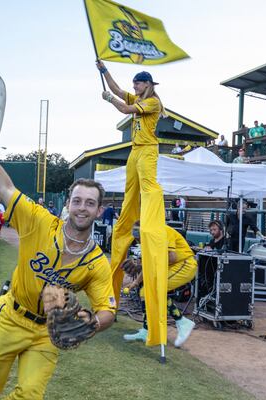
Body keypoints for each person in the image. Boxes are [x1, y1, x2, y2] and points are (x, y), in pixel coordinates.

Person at [0, 148, 116, 399]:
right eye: (77, 201)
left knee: (30, 395)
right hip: (11, 317)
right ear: (68, 204)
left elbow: (108, 310)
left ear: (99, 210)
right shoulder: (39, 221)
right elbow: (4, 187)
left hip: (47, 331)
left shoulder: (97, 262)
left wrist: (89, 326)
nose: (82, 208)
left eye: (90, 203)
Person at [96, 59, 169, 345]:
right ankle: (128, 220)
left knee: (149, 187)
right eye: (135, 83)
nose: (135, 86)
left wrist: (110, 99)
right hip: (134, 151)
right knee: (130, 194)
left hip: (148, 150)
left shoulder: (152, 103)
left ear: (147, 84)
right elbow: (116, 88)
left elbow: (125, 109)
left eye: (138, 83)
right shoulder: (138, 96)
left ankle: (151, 219)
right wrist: (104, 72)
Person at [123, 224, 196, 347]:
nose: (139, 240)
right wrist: (135, 283)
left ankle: (182, 322)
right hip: (172, 266)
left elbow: (172, 257)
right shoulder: (148, 240)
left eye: (139, 236)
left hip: (185, 264)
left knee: (157, 289)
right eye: (136, 237)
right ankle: (146, 331)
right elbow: (148, 265)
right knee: (144, 292)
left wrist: (152, 262)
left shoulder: (164, 231)